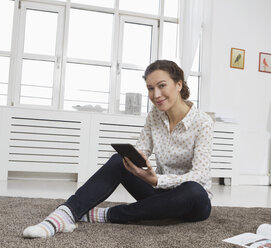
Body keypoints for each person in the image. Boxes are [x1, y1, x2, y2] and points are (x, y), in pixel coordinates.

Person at [23, 60, 214, 238]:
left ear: (178, 85)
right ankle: (66, 214)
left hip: (192, 202)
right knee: (118, 161)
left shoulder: (203, 122)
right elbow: (142, 149)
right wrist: (134, 160)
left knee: (194, 190)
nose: (156, 95)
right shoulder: (155, 115)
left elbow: (199, 175)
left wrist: (157, 179)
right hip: (161, 195)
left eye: (162, 86)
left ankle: (108, 214)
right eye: (150, 88)